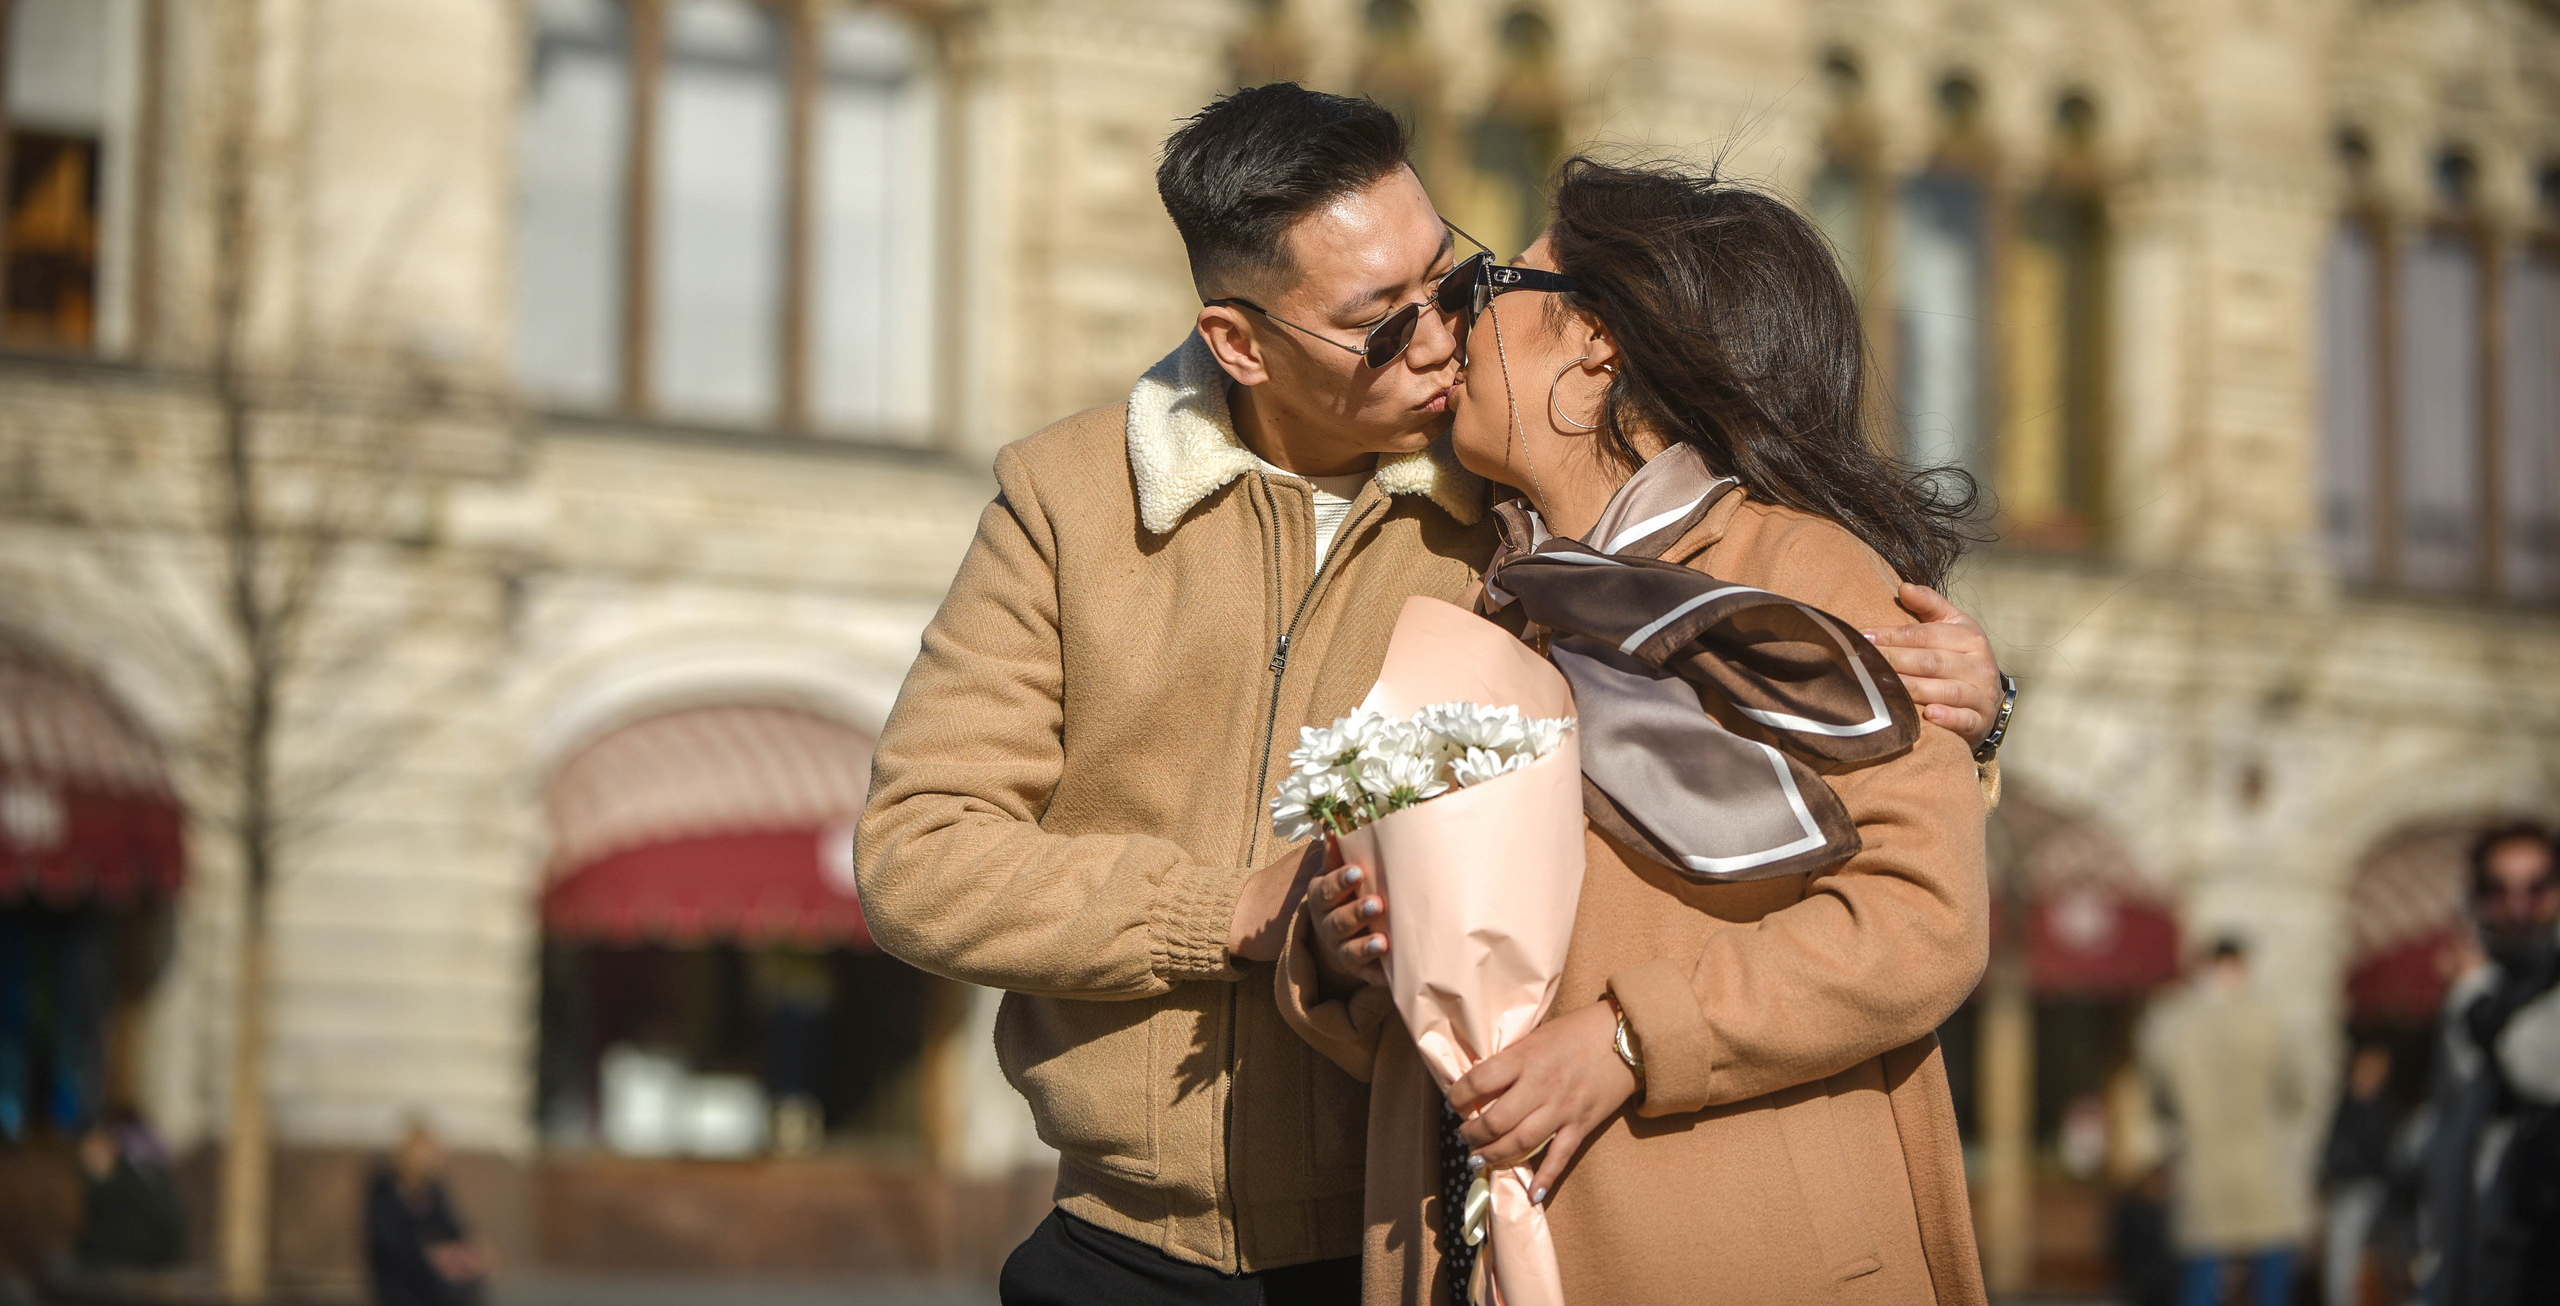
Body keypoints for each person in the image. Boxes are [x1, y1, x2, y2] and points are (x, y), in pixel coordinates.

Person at [856, 89, 2009, 1306]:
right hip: (1145, 1242)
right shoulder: (1076, 500)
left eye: (1456, 281)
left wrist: (1974, 711)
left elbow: (1875, 848)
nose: (1436, 338)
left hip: (1471, 1236)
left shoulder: (1506, 538)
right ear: (1240, 343)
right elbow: (921, 856)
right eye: (1376, 322)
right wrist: (1270, 928)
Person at [1287, 158, 1996, 1303]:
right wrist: (1342, 945)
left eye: (1492, 282)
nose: (1453, 322)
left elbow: (1924, 917)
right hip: (1478, 1247)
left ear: (1596, 342)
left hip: (1746, 1254)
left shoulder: (1797, 567)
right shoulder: (1489, 603)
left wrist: (1631, 1039)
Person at [2415, 820, 2560, 1306]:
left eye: (2537, 887)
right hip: (2480, 1255)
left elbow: (2540, 1067)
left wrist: (2477, 1001)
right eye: (2498, 889)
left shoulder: (2482, 993)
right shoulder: (2478, 983)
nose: (2519, 905)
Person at [2140, 938, 2307, 1306]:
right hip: (2261, 1162)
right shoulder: (2269, 1021)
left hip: (2202, 1164)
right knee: (2271, 1270)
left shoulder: (2171, 1024)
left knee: (2201, 1274)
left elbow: (2158, 1099)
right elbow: (2296, 1095)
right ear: (2243, 968)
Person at [363, 1119, 492, 1306]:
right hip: (400, 1278)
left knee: (469, 1281)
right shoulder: (384, 1187)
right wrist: (433, 1256)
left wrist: (471, 1251)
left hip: (437, 1276)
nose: (427, 1159)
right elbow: (388, 1241)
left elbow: (454, 1228)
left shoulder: (434, 1190)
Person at [2320, 1041, 2396, 1306]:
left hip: (2373, 1190)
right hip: (2348, 1188)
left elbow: (2381, 1154)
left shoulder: (2380, 1109)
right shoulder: (2343, 1105)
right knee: (2343, 1256)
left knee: (2383, 1255)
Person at [70, 1112, 185, 1272]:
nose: (91, 1155)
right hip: (110, 1266)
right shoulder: (85, 1184)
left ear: (111, 1147)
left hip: (138, 1266)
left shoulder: (136, 1183)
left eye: (97, 1146)